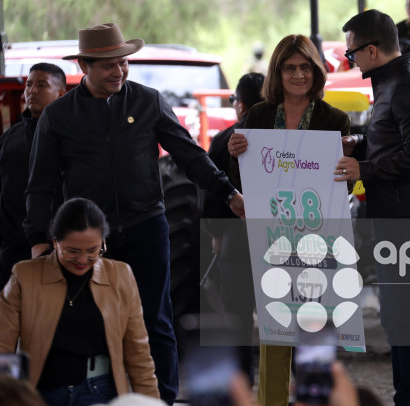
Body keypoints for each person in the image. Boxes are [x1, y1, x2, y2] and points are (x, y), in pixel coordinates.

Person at [24, 23, 245, 404]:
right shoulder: (58, 116)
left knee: (156, 320)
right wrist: (39, 241)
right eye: (108, 64)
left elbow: (189, 154)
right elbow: (40, 183)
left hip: (147, 227)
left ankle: (162, 398)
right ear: (84, 66)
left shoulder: (148, 101)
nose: (119, 71)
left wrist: (227, 193)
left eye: (123, 62)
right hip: (89, 239)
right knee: (96, 323)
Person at [227, 34, 350, 406]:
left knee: (315, 337)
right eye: (290, 67)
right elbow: (240, 180)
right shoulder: (259, 116)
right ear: (277, 72)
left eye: (305, 67)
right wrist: (234, 153)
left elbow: (346, 186)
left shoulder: (335, 120)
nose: (298, 74)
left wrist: (350, 166)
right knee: (275, 336)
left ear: (317, 71)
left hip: (320, 238)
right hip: (271, 238)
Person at [334, 9, 410, 406]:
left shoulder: (407, 85)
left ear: (372, 50)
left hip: (406, 221)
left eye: (352, 54)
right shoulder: (392, 81)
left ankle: (409, 401)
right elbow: (395, 138)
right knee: (397, 320)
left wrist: (366, 167)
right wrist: (360, 144)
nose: (351, 60)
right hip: (393, 216)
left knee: (404, 321)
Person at [0, 197, 159, 405]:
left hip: (99, 391)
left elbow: (139, 354)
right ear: (55, 242)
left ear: (103, 242)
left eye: (93, 250)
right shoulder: (25, 275)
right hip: (41, 393)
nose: (83, 260)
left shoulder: (120, 276)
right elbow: (3, 346)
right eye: (72, 251)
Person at [203, 72, 265, 384]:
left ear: (239, 105)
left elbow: (213, 196)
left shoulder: (224, 140)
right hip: (281, 244)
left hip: (235, 244)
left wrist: (216, 236)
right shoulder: (288, 138)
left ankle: (244, 387)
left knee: (238, 321)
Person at [0, 63, 66, 288]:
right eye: (29, 84)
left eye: (41, 85)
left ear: (61, 93)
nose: (32, 91)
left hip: (55, 248)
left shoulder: (71, 136)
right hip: (11, 249)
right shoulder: (11, 137)